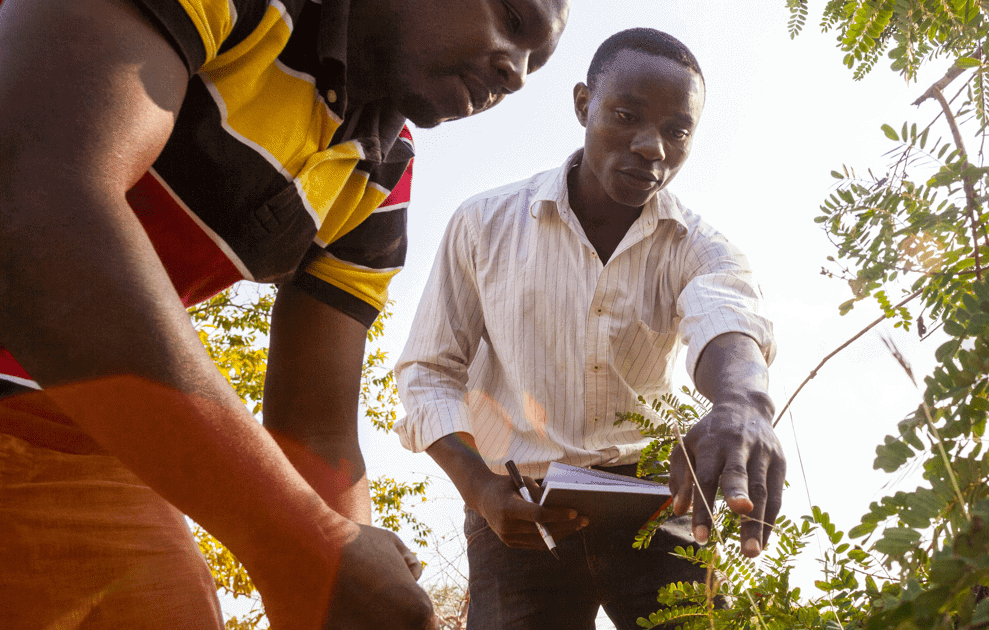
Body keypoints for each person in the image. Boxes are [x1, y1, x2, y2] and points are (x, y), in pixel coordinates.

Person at [0, 0, 568, 628]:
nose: (516, 72)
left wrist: (346, 571)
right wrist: (305, 539)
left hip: (74, 427)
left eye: (533, 64)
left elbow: (315, 429)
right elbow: (36, 205)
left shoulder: (380, 175)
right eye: (513, 21)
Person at [394, 27, 786, 629]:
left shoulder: (700, 247)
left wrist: (743, 401)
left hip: (657, 508)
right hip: (518, 510)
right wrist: (480, 490)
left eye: (677, 131)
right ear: (583, 105)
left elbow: (728, 317)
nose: (653, 147)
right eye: (626, 116)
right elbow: (428, 373)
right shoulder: (483, 225)